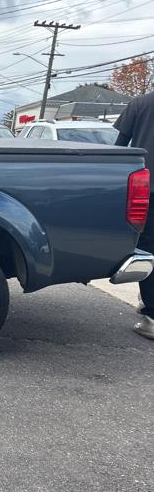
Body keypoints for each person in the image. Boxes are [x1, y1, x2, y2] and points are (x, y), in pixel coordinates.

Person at [114, 93, 154, 339]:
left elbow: (120, 145)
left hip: (147, 187)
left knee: (149, 247)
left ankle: (152, 315)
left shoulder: (141, 104)